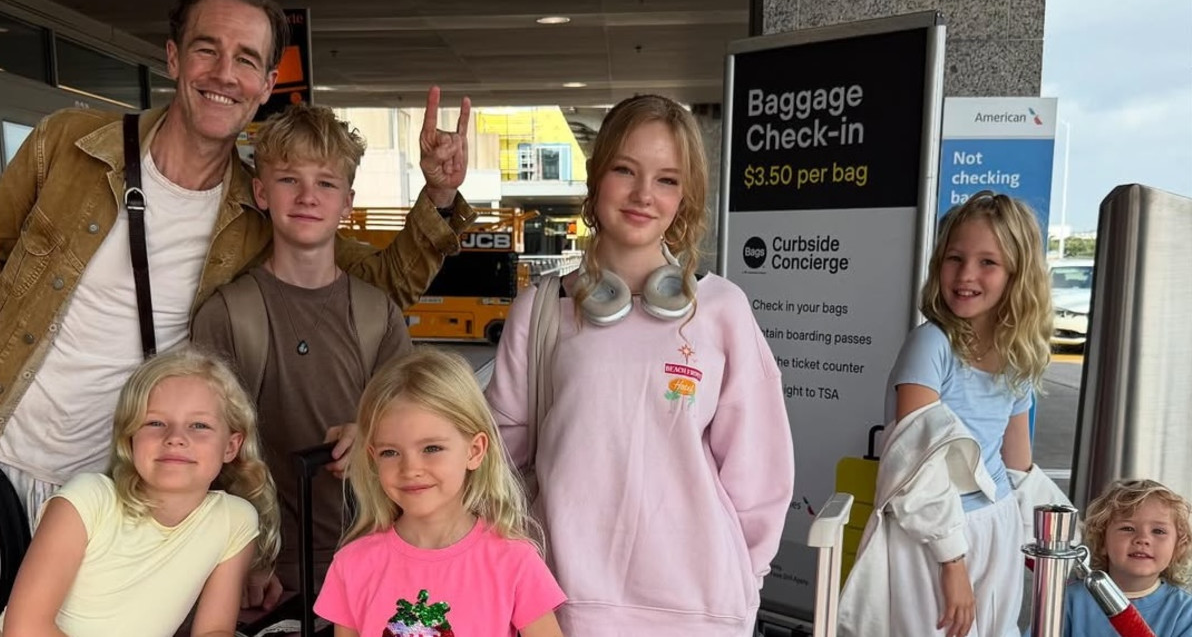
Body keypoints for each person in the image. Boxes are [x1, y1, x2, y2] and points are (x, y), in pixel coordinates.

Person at [0, 0, 471, 608]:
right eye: (206, 49)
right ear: (173, 57)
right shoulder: (69, 146)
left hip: (127, 489)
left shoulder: (253, 211)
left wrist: (438, 196)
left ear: (267, 83)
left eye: (247, 58)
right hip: (1, 447)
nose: (225, 72)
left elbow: (376, 280)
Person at [483, 94, 795, 636]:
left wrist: (746, 576)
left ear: (685, 196)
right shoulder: (541, 311)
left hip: (699, 608)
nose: (644, 195)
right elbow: (497, 460)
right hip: (565, 603)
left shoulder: (719, 310)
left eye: (668, 180)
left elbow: (759, 467)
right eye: (625, 170)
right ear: (597, 175)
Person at [192, 103, 412, 598]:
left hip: (372, 558)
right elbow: (202, 456)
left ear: (348, 202)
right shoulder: (227, 314)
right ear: (260, 192)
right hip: (261, 569)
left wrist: (374, 436)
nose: (309, 197)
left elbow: (419, 438)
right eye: (290, 179)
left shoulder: (379, 317)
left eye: (327, 184)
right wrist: (242, 559)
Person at [838, 191, 1053, 637]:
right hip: (932, 535)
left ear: (1018, 273)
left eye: (987, 263)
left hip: (995, 526)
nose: (966, 275)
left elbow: (1017, 467)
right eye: (955, 258)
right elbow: (915, 464)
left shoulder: (1019, 355)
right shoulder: (931, 344)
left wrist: (1064, 541)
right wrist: (952, 561)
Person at [0, 346, 278, 637]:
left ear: (231, 446)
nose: (176, 438)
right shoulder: (86, 500)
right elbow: (25, 629)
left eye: (199, 425)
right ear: (130, 438)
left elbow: (214, 630)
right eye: (155, 423)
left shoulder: (235, 521)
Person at [313, 348, 565, 637]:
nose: (411, 468)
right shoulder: (352, 565)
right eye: (390, 452)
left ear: (475, 450)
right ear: (373, 457)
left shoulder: (514, 562)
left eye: (432, 448)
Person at [1057, 479, 1192, 636]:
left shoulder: (1184, 612)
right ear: (1102, 542)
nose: (1142, 539)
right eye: (1128, 528)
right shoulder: (1068, 601)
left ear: (1177, 547)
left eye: (1158, 531)